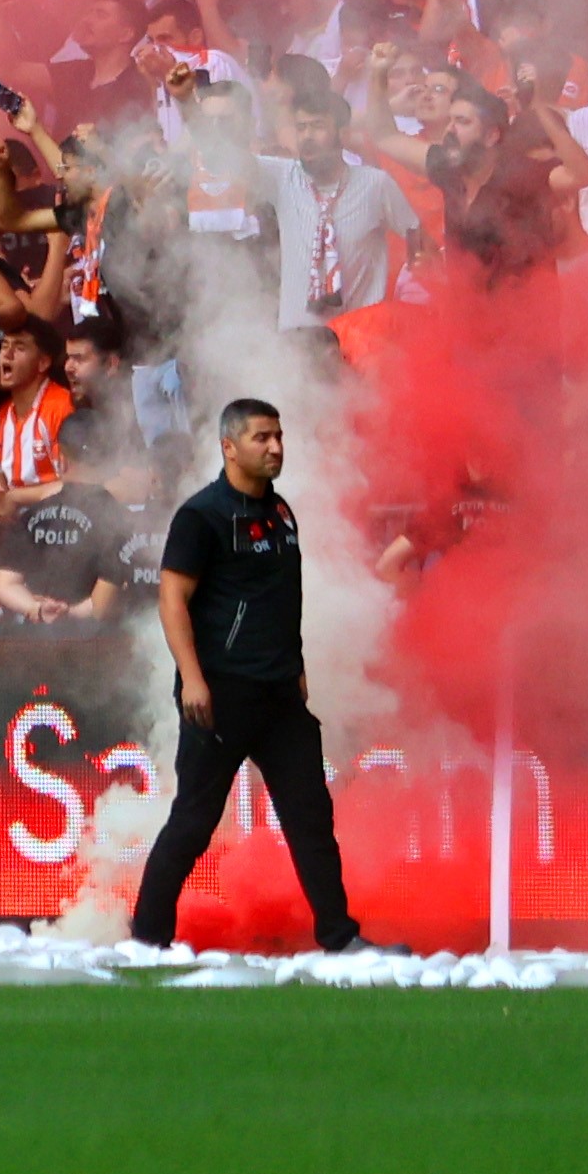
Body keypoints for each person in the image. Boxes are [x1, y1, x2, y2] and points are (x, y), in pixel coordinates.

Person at [130, 395, 363, 953]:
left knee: (311, 818)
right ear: (228, 447)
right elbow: (171, 599)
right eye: (262, 438)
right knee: (193, 822)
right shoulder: (201, 516)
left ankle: (339, 937)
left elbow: (284, 598)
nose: (276, 447)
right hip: (222, 696)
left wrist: (298, 666)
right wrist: (192, 677)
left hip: (280, 696)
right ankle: (145, 939)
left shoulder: (281, 513)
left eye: (279, 436)